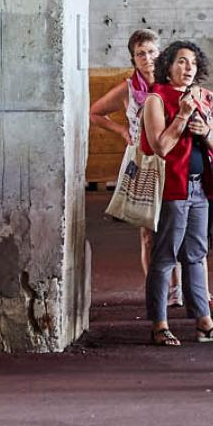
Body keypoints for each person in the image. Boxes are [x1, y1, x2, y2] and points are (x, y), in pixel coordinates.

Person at [139, 40, 213, 347]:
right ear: (167, 66)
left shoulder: (203, 98)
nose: (188, 68)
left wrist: (205, 132)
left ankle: (203, 322)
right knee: (165, 256)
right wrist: (181, 117)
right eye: (181, 61)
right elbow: (161, 146)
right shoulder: (157, 99)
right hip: (172, 188)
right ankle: (159, 324)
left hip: (200, 187)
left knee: (196, 255)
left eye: (192, 63)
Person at [89, 29, 160, 278]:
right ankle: (154, 287)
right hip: (141, 159)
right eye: (141, 54)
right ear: (133, 59)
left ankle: (177, 288)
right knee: (146, 229)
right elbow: (95, 113)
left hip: (168, 159)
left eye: (151, 52)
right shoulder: (128, 89)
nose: (147, 58)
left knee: (174, 226)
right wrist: (120, 130)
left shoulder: (171, 85)